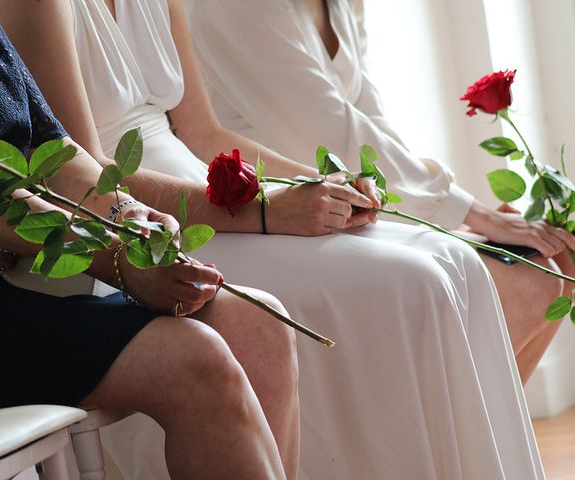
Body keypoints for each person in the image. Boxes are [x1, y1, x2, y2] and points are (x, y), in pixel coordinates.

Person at [0, 0, 545, 478]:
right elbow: (86, 177)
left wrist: (314, 180)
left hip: (212, 196)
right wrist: (262, 211)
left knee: (452, 258)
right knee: (414, 282)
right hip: (137, 226)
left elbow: (205, 135)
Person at [0, 2, 301, 479]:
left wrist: (132, 219)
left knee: (258, 325)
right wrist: (120, 260)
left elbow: (57, 151)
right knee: (195, 362)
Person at [186, 0, 575, 384]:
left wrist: (459, 210)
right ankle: (445, 439)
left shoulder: (343, 5)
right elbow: (335, 136)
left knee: (559, 262)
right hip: (282, 216)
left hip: (354, 202)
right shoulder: (236, 7)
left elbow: (374, 129)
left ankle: (481, 444)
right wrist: (472, 213)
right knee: (531, 284)